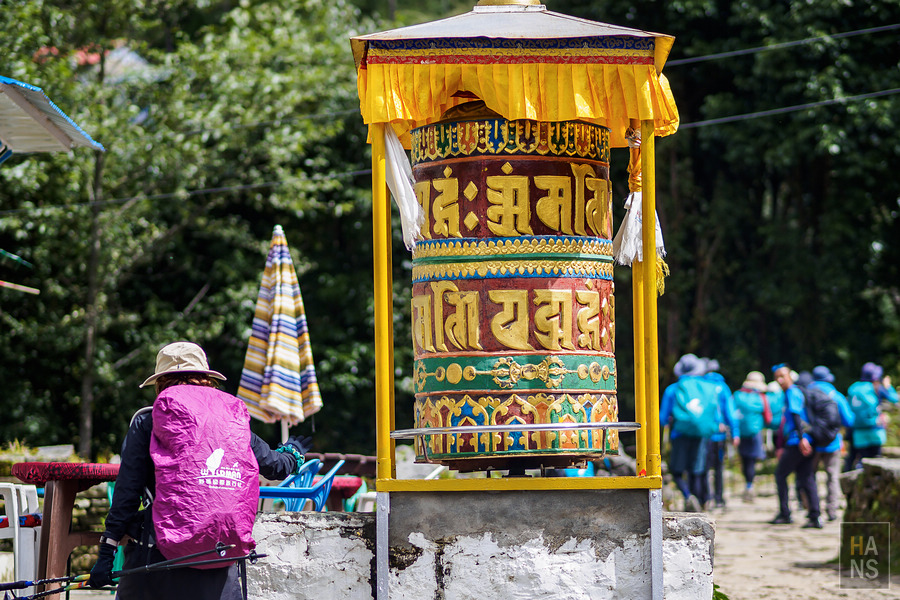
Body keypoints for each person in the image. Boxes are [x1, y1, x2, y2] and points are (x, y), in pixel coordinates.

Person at [89, 341, 310, 600]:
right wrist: (293, 453)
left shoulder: (148, 421)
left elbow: (127, 493)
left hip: (157, 562)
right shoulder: (231, 420)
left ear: (160, 383)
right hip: (221, 559)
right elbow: (275, 466)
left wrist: (107, 552)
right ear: (206, 378)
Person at [660, 353, 717, 512]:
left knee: (677, 471)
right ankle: (697, 502)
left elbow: (663, 418)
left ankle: (687, 496)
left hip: (679, 434)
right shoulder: (708, 387)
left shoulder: (673, 389)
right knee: (696, 471)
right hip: (701, 434)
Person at [769, 363, 822, 528]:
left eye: (782, 376)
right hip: (806, 439)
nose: (779, 380)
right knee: (807, 477)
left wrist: (801, 438)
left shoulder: (792, 392)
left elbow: (796, 415)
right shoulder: (794, 392)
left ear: (790, 376)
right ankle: (815, 515)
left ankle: (785, 513)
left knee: (780, 474)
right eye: (777, 377)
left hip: (797, 441)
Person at [808, 365, 853, 521]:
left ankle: (812, 510)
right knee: (832, 477)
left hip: (812, 442)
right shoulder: (836, 395)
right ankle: (831, 510)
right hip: (832, 442)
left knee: (809, 476)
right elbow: (849, 420)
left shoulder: (807, 394)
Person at [845, 362, 899, 471]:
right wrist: (888, 386)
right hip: (875, 429)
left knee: (862, 459)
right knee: (876, 459)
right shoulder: (876, 387)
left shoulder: (853, 388)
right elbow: (895, 399)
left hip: (858, 431)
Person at [731, 371, 770, 503]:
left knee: (745, 459)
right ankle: (750, 485)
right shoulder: (761, 397)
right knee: (752, 461)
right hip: (755, 432)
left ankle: (747, 484)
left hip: (740, 433)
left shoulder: (737, 395)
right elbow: (768, 417)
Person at [702, 358, 734, 508]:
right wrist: (735, 432)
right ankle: (719, 499)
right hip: (720, 434)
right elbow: (730, 412)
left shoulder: (701, 385)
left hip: (704, 433)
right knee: (719, 467)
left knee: (704, 467)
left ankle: (706, 498)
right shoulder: (723, 387)